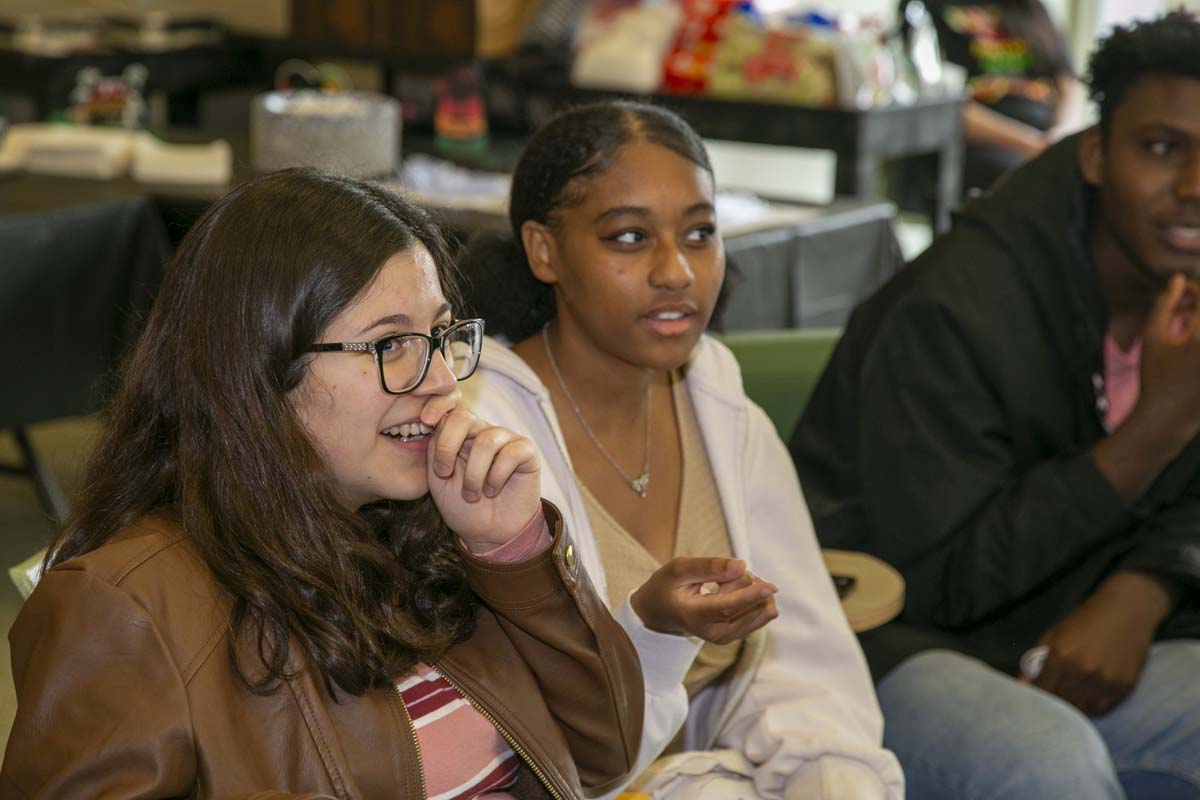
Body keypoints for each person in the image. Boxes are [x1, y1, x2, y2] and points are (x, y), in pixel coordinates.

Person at [1, 169, 644, 798]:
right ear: (259, 367)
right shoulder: (127, 607)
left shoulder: (432, 529)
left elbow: (604, 755)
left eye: (441, 335)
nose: (440, 378)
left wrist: (515, 552)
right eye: (390, 344)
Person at [791, 12, 1200, 798]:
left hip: (1076, 618)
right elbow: (943, 581)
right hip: (884, 638)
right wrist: (1154, 431)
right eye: (1160, 148)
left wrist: (1147, 586)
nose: (1192, 188)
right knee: (1044, 763)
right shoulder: (959, 307)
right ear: (1093, 153)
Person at [458, 101, 903, 799]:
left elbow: (800, 666)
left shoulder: (723, 414)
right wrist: (648, 630)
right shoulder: (482, 443)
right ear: (544, 250)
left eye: (700, 233)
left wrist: (830, 779)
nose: (676, 270)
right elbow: (513, 739)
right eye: (629, 237)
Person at [902, 0, 1081, 194]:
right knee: (1025, 180)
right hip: (982, 140)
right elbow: (941, 102)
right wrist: (1033, 144)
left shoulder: (1031, 7)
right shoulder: (926, 8)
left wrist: (1061, 134)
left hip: (1047, 135)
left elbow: (1068, 84)